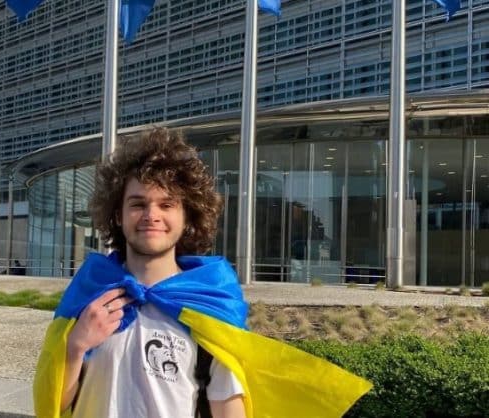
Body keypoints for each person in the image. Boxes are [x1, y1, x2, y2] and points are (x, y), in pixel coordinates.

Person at [33, 128, 371, 418]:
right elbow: (55, 406)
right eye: (137, 204)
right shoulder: (89, 297)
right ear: (118, 216)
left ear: (187, 217)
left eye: (167, 205)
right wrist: (76, 347)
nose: (151, 215)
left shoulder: (209, 306)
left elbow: (228, 407)